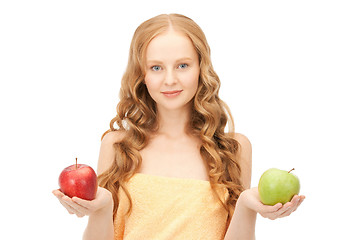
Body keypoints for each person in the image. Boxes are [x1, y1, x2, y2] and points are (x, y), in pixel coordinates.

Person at [53, 13, 305, 240]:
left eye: (182, 65)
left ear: (200, 68)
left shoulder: (233, 149)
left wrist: (247, 205)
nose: (170, 79)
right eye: (156, 67)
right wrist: (102, 208)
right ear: (142, 74)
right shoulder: (118, 145)